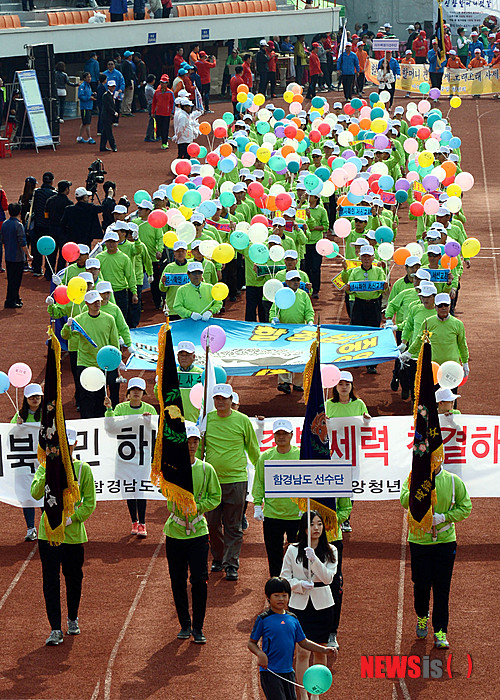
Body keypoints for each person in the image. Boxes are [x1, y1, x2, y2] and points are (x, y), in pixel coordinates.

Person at [400, 462, 471, 649]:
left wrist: (444, 517)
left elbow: (466, 507)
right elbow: (404, 500)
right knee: (421, 585)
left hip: (445, 541)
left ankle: (440, 631)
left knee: (442, 589)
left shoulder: (453, 481)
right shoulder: (413, 477)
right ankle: (422, 615)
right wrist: (420, 489)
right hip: (419, 541)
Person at [164, 423, 221, 644]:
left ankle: (198, 626)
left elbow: (215, 496)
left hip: (198, 532)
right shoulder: (172, 469)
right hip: (175, 533)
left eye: (195, 441)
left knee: (199, 579)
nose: (191, 445)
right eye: (188, 441)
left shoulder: (207, 469)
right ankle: (184, 624)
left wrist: (197, 507)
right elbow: (163, 490)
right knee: (177, 580)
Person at [204, 384, 260, 581]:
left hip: (236, 480)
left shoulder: (242, 421)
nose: (220, 402)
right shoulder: (206, 419)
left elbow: (253, 449)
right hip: (211, 482)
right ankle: (218, 557)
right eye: (217, 398)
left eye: (224, 398)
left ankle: (231, 564)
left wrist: (261, 471)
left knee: (233, 526)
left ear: (231, 400)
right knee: (211, 524)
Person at [248, 576, 337, 700]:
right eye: (276, 595)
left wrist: (323, 650)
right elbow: (251, 643)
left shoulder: (293, 619)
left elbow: (303, 642)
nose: (281, 599)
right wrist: (260, 654)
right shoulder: (263, 619)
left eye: (284, 596)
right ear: (268, 597)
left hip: (289, 672)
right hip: (270, 672)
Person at [280, 511, 338, 699]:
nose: (316, 528)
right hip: (299, 606)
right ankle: (303, 695)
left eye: (319, 524)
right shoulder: (292, 549)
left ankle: (316, 695)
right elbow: (284, 578)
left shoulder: (331, 550)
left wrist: (314, 559)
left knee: (320, 652)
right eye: (312, 524)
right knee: (302, 652)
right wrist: (298, 585)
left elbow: (328, 578)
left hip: (323, 605)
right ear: (304, 528)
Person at [104, 377, 157, 537]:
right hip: (125, 457)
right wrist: (109, 410)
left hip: (142, 457)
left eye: (139, 390)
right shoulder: (120, 408)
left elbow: (155, 433)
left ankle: (142, 523)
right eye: (133, 389)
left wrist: (148, 423)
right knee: (129, 490)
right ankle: (133, 521)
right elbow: (111, 428)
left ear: (143, 393)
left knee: (140, 490)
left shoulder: (150, 409)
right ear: (128, 392)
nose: (136, 392)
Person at [61, 290, 121, 418]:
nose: (97, 304)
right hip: (85, 363)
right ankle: (86, 423)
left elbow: (114, 341)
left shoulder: (109, 319)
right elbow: (65, 335)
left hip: (102, 364)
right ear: (87, 303)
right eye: (94, 302)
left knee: (100, 396)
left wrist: (117, 360)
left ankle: (99, 423)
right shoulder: (79, 320)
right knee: (86, 397)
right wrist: (67, 326)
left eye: (98, 301)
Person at [253, 420, 302, 577]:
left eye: (285, 434)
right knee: (274, 556)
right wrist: (256, 504)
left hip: (297, 515)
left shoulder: (301, 455)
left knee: (298, 556)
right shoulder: (266, 457)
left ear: (291, 435)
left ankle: (295, 592)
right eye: (278, 434)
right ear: (273, 436)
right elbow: (259, 481)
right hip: (273, 515)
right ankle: (275, 589)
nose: (281, 437)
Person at [404, 292, 469, 376]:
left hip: (452, 367)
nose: (443, 308)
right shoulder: (427, 323)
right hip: (433, 367)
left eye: (446, 305)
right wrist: (409, 353)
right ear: (435, 307)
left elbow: (462, 344)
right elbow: (419, 340)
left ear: (449, 306)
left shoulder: (458, 324)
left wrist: (465, 362)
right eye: (440, 306)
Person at [270, 271, 314, 393]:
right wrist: (273, 320)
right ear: (287, 282)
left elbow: (309, 310)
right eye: (293, 280)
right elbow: (273, 311)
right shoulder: (281, 294)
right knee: (283, 355)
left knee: (300, 356)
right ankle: (284, 381)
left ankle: (298, 383)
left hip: (300, 331)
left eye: (298, 280)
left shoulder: (303, 295)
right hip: (283, 330)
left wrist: (310, 321)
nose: (296, 283)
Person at [346, 245, 388, 374]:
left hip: (374, 304)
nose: (366, 259)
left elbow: (383, 288)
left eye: (369, 256)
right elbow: (350, 290)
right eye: (364, 256)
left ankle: (371, 363)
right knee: (357, 332)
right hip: (359, 304)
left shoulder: (379, 271)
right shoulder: (354, 272)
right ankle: (358, 359)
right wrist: (348, 289)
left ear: (373, 257)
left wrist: (385, 286)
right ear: (360, 257)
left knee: (373, 333)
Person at [11, 383, 43, 541]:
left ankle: (46, 525)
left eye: (38, 396)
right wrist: (17, 426)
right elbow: (9, 436)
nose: (35, 399)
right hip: (23, 464)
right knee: (27, 495)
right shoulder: (20, 415)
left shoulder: (47, 414)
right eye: (32, 396)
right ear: (26, 398)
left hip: (42, 462)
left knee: (45, 493)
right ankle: (31, 528)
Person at [97, 230, 138, 319]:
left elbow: (130, 276)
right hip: (104, 293)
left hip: (121, 292)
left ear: (117, 242)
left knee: (121, 318)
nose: (111, 244)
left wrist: (134, 293)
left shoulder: (124, 258)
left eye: (113, 242)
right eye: (109, 242)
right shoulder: (99, 258)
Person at [3, 203, 32, 309]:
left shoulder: (5, 224)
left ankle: (15, 297)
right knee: (16, 280)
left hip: (8, 256)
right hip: (17, 257)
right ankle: (10, 300)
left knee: (11, 279)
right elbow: (22, 243)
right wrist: (28, 255)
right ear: (19, 212)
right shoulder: (18, 225)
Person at [303, 194, 329, 299]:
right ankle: (307, 288)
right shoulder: (303, 209)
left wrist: (313, 228)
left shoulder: (322, 211)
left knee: (315, 267)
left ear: (316, 198)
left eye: (311, 196)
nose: (309, 197)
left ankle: (315, 290)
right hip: (305, 243)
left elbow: (325, 226)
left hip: (317, 243)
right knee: (306, 267)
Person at [45, 180, 73, 275]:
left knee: (51, 251)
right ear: (66, 189)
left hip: (51, 229)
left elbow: (46, 215)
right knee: (62, 253)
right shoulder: (69, 203)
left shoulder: (50, 200)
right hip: (63, 231)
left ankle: (49, 272)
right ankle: (60, 273)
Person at [31, 172, 56, 277]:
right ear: (51, 181)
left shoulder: (37, 192)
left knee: (36, 246)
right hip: (48, 225)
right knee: (49, 248)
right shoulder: (53, 194)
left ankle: (36, 268)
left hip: (37, 223)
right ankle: (48, 270)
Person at [151, 75, 174, 150]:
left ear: (167, 83)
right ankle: (161, 138)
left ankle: (164, 142)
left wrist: (172, 112)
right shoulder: (157, 92)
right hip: (158, 113)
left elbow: (172, 103)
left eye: (164, 82)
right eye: (161, 82)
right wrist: (153, 112)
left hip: (166, 114)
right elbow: (154, 102)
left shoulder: (170, 92)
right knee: (159, 128)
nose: (162, 84)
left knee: (165, 129)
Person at [77, 73, 96, 144]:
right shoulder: (83, 86)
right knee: (87, 123)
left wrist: (92, 94)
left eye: (90, 77)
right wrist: (89, 97)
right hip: (85, 107)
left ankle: (79, 137)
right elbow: (80, 96)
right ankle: (89, 138)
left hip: (89, 106)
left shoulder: (88, 86)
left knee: (84, 123)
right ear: (84, 78)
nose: (89, 78)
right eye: (88, 77)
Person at [99, 80, 118, 153]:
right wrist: (114, 113)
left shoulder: (111, 95)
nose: (113, 87)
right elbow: (108, 106)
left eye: (114, 86)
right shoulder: (106, 95)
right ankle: (113, 146)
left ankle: (102, 146)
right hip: (106, 116)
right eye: (111, 86)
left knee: (104, 132)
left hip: (109, 116)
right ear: (108, 87)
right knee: (109, 132)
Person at [120, 51, 135, 116]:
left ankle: (123, 110)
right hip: (128, 81)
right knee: (129, 97)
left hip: (124, 82)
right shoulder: (128, 64)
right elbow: (128, 75)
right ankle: (127, 111)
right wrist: (130, 84)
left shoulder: (123, 63)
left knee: (124, 97)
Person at [144, 74, 157, 142]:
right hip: (151, 105)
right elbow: (155, 96)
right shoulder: (149, 88)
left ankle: (152, 135)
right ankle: (149, 136)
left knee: (152, 120)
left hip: (151, 104)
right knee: (152, 121)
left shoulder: (149, 87)